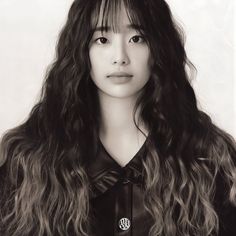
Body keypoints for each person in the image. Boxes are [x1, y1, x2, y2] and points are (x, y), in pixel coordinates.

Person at [0, 0, 235, 235]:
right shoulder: (26, 158)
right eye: (102, 40)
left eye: (137, 38)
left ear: (159, 48)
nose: (120, 57)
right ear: (81, 49)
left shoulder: (211, 158)